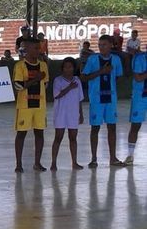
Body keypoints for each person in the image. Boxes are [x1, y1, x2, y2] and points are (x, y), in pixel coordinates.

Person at [81, 33, 124, 168]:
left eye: (104, 45)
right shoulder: (93, 59)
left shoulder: (116, 59)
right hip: (96, 99)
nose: (101, 47)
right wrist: (101, 72)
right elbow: (84, 77)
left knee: (112, 127)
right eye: (99, 45)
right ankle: (94, 158)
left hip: (110, 99)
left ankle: (113, 158)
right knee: (95, 128)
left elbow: (117, 77)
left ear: (111, 45)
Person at [13, 38, 49, 173]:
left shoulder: (43, 65)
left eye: (39, 48)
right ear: (27, 49)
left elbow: (45, 84)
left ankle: (37, 162)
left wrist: (38, 80)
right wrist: (35, 79)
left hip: (40, 105)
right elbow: (18, 86)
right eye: (35, 48)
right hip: (24, 105)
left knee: (39, 133)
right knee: (21, 134)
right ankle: (18, 164)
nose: (38, 50)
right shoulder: (20, 66)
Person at [50, 57, 84, 171]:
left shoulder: (77, 80)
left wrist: (81, 113)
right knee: (58, 137)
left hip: (73, 113)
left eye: (70, 67)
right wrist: (69, 87)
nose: (68, 69)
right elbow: (57, 95)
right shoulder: (58, 80)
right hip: (61, 113)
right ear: (62, 68)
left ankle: (74, 162)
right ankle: (53, 162)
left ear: (74, 68)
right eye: (65, 67)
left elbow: (80, 99)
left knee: (73, 138)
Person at [125, 45, 147, 165]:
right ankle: (130, 155)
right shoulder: (139, 58)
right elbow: (138, 78)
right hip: (140, 96)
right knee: (135, 125)